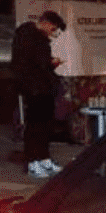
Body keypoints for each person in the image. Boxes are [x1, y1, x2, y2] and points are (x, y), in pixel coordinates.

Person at [11, 11, 67, 178]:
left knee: (45, 125)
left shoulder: (31, 37)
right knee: (35, 125)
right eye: (54, 28)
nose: (53, 32)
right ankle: (33, 162)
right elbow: (38, 63)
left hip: (41, 87)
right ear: (47, 23)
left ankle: (43, 158)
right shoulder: (32, 37)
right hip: (35, 87)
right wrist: (53, 63)